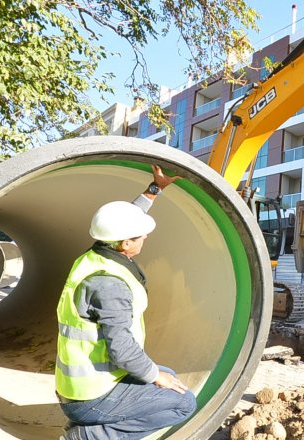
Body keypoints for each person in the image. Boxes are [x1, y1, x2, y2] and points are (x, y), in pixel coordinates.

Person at [55, 165, 197, 439]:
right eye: (140, 235)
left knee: (166, 373)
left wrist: (154, 189)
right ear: (125, 245)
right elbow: (121, 349)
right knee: (183, 402)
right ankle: (90, 436)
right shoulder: (109, 285)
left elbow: (121, 221)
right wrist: (156, 377)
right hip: (90, 397)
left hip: (79, 385)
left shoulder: (95, 255)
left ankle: (92, 426)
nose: (145, 237)